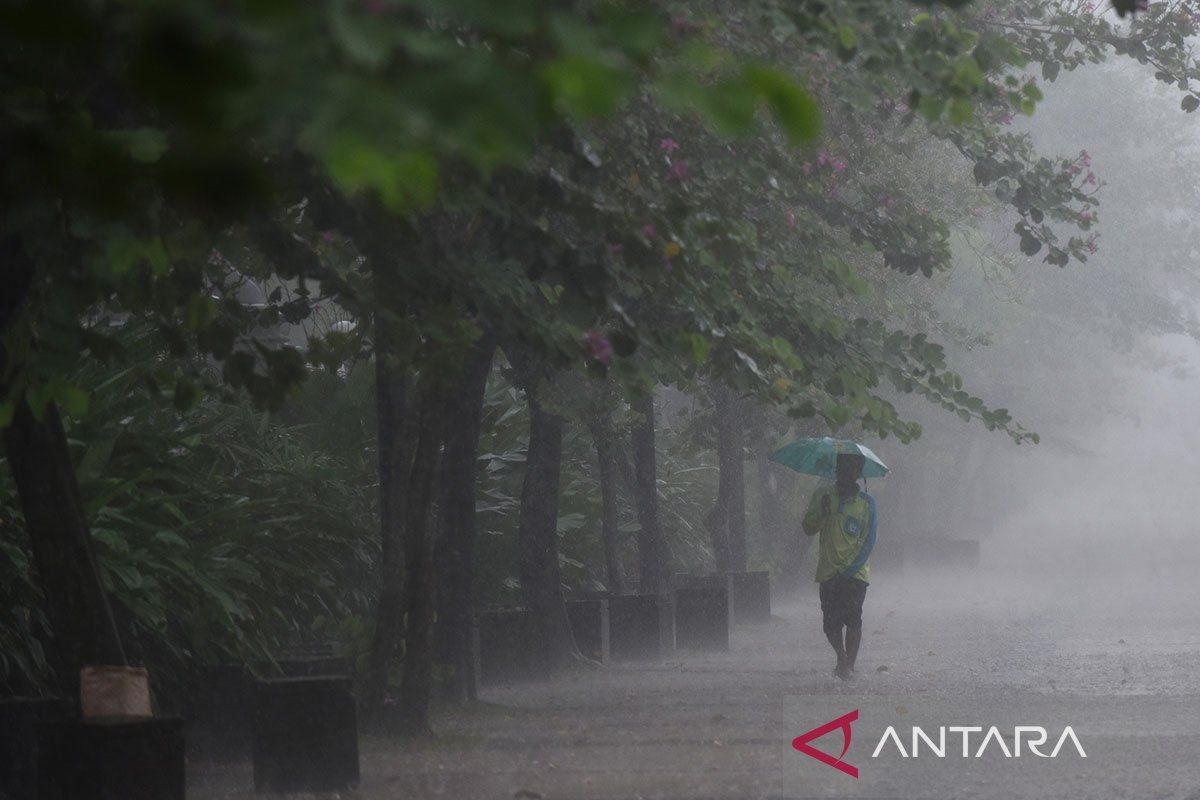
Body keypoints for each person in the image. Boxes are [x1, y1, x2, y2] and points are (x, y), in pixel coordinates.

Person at [802, 453, 877, 680]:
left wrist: (851, 569)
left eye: (851, 469)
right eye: (842, 469)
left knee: (853, 618)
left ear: (858, 473)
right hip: (828, 571)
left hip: (856, 573)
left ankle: (849, 666)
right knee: (830, 622)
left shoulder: (867, 503)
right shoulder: (823, 496)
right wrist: (822, 513)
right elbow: (807, 528)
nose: (845, 474)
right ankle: (841, 657)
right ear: (837, 471)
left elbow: (869, 540)